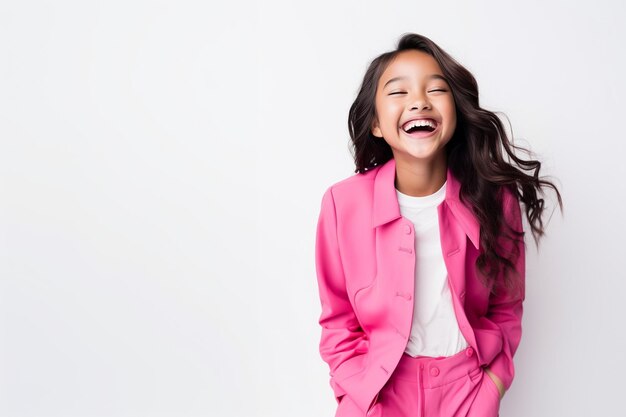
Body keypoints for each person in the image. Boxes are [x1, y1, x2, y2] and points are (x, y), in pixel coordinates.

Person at [314, 33, 563, 417]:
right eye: (398, 92)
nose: (419, 101)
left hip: (467, 392)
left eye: (436, 89)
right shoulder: (341, 204)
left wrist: (490, 390)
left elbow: (507, 309)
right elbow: (337, 323)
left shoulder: (497, 200)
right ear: (376, 124)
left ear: (456, 113)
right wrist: (359, 399)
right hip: (380, 397)